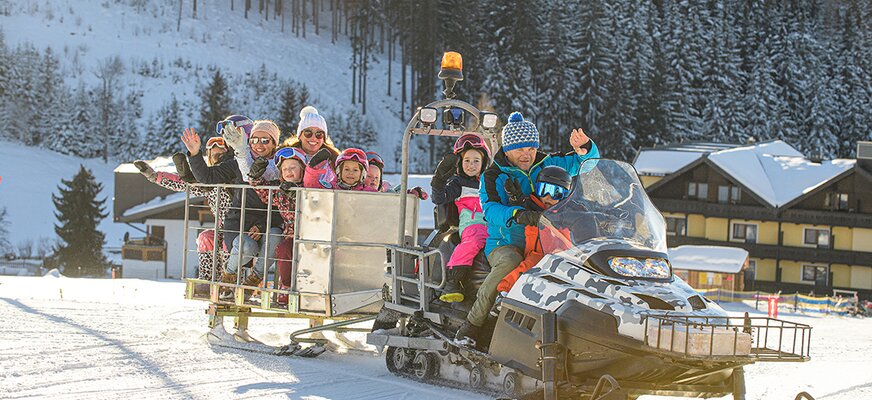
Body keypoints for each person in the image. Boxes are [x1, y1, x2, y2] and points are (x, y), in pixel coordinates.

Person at [455, 111, 599, 344]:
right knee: (509, 263)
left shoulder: (546, 163)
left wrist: (586, 147)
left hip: (544, 241)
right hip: (505, 242)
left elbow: (586, 164)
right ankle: (473, 324)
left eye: (531, 148)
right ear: (508, 149)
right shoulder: (494, 175)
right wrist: (518, 214)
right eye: (521, 149)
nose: (527, 155)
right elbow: (490, 210)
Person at [133, 128, 242, 283]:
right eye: (214, 156)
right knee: (206, 238)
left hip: (240, 229)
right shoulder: (208, 183)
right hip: (223, 229)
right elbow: (184, 184)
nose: (218, 159)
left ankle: (230, 282)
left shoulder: (234, 176)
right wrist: (155, 176)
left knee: (227, 243)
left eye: (221, 155)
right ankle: (208, 280)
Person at [214, 119, 284, 296]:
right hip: (240, 222)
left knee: (276, 235)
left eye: (265, 140)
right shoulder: (242, 163)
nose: (259, 145)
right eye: (254, 140)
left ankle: (253, 280)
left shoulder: (282, 167)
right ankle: (228, 275)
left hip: (269, 223)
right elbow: (244, 173)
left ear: (275, 143)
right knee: (246, 246)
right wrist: (192, 155)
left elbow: (281, 207)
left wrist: (261, 226)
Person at [430, 134, 491, 303]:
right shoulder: (458, 183)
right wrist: (439, 181)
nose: (471, 165)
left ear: (483, 163)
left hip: (492, 224)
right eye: (467, 161)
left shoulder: (488, 183)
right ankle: (453, 280)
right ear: (460, 163)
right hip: (472, 225)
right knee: (475, 240)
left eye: (476, 161)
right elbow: (439, 198)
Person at [495, 166, 572, 296]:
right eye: (544, 190)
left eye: (556, 192)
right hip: (537, 254)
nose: (548, 197)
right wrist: (516, 199)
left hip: (562, 257)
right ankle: (504, 293)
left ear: (565, 196)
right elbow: (523, 206)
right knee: (527, 268)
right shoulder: (532, 207)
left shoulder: (567, 213)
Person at [246, 147, 308, 306]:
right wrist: (255, 176)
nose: (289, 172)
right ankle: (286, 285)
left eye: (293, 167)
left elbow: (319, 201)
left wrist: (299, 194)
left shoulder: (310, 186)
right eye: (285, 168)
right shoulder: (280, 190)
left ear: (302, 169)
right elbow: (263, 192)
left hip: (311, 234)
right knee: (284, 250)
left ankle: (312, 289)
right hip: (291, 235)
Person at [304, 147, 378, 191]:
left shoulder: (368, 192)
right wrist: (312, 170)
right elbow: (312, 187)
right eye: (346, 169)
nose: (350, 173)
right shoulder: (331, 188)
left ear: (362, 174)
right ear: (339, 171)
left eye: (355, 170)